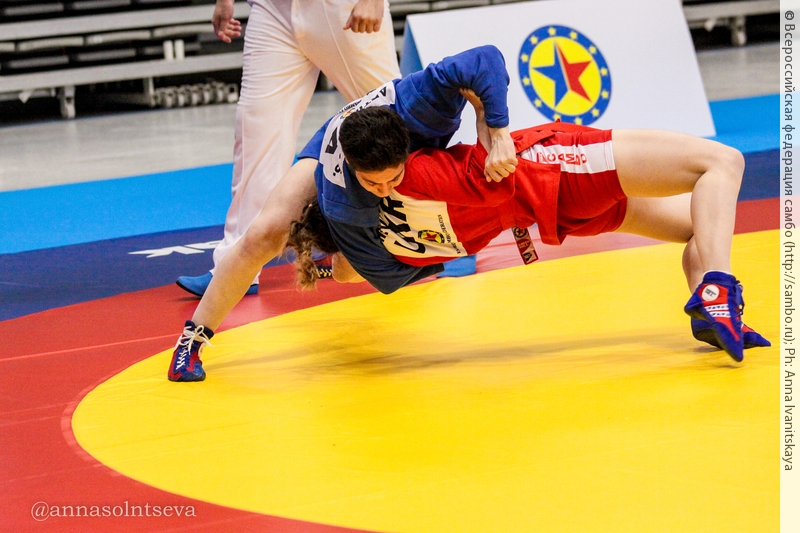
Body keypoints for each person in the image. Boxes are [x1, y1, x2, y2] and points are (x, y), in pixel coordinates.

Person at [284, 97, 771, 362]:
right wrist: (486, 121)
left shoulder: (391, 257)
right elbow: (476, 69)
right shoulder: (405, 176)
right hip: (554, 168)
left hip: (553, 218)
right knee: (721, 162)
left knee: (699, 228)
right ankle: (718, 289)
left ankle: (709, 317)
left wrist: (320, 268)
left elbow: (347, 271)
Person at [167, 45, 519, 382]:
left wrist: (495, 128)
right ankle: (193, 338)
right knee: (269, 235)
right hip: (336, 161)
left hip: (372, 147)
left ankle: (351, 237)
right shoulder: (347, 202)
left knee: (421, 204)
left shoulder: (423, 102)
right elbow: (386, 278)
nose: (385, 189)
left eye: (393, 178)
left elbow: (486, 58)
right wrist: (448, 252)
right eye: (374, 184)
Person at [175, 0, 402, 297]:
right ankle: (235, 267)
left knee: (392, 115)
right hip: (272, 8)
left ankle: (436, 233)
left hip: (342, 8)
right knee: (256, 131)